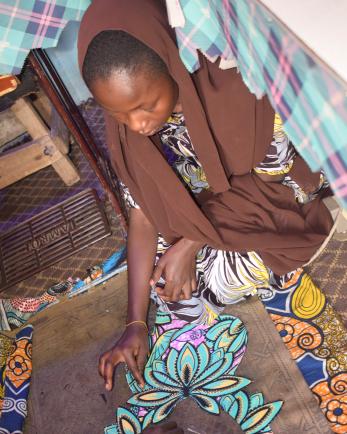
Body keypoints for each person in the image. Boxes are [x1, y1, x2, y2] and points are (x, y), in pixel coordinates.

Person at [78, 0, 333, 431]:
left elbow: (274, 178)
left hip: (278, 193)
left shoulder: (234, 84)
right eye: (120, 113)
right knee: (161, 279)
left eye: (146, 105)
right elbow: (142, 215)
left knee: (215, 282)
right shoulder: (126, 126)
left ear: (170, 62)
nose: (137, 125)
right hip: (208, 207)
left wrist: (190, 244)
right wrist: (135, 323)